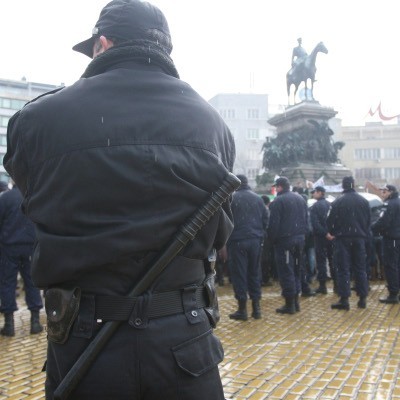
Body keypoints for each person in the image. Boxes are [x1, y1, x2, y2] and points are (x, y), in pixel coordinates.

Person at [4, 1, 235, 399]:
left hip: (84, 340)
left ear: (103, 44)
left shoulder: (37, 119)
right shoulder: (212, 123)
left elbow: (33, 199)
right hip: (184, 336)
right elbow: (217, 232)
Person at [0, 183, 43, 337]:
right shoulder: (33, 197)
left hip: (8, 248)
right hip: (30, 247)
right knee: (32, 283)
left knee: (7, 283)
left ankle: (9, 324)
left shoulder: (5, 199)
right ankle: (35, 322)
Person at [228, 175, 268, 321]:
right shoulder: (257, 198)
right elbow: (265, 219)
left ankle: (242, 309)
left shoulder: (232, 198)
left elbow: (225, 221)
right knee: (254, 273)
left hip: (238, 241)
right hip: (255, 240)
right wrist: (259, 233)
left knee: (239, 274)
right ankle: (256, 309)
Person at [327, 176, 370, 310]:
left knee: (343, 269)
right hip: (359, 238)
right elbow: (368, 220)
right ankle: (362, 298)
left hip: (343, 238)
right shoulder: (364, 201)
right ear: (354, 185)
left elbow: (329, 221)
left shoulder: (338, 202)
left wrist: (334, 232)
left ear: (343, 186)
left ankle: (344, 299)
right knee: (360, 268)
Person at [268, 177, 309, 314]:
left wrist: (272, 240)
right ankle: (295, 302)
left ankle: (289, 304)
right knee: (297, 269)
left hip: (285, 242)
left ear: (279, 187)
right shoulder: (300, 199)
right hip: (300, 240)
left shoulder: (278, 202)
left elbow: (274, 225)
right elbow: (306, 219)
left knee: (286, 271)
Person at [372, 184, 400, 304]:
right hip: (398, 238)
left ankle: (393, 294)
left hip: (390, 238)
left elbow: (384, 221)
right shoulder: (398, 202)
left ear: (391, 192)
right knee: (397, 265)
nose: (382, 192)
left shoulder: (389, 204)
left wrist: (372, 229)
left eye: (385, 191)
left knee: (390, 265)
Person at [309, 186, 334, 294]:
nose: (313, 194)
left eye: (314, 192)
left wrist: (325, 233)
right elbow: (335, 221)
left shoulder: (315, 207)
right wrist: (331, 233)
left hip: (320, 237)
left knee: (321, 261)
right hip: (332, 237)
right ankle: (337, 285)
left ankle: (322, 286)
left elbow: (315, 224)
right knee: (333, 260)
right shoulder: (330, 205)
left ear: (319, 193)